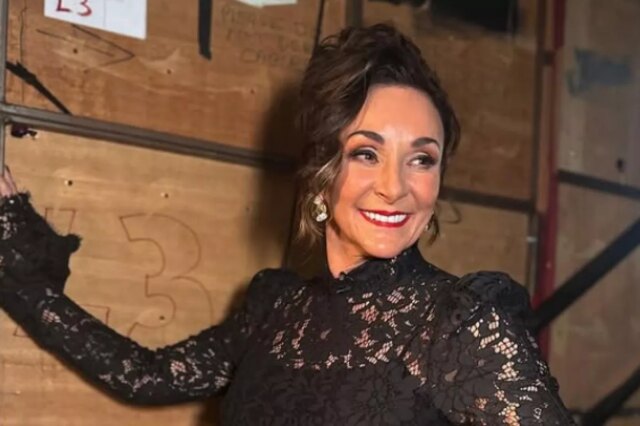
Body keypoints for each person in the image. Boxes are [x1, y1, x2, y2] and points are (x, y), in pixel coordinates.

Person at [0, 24, 575, 425]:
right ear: (321, 170)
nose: (396, 186)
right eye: (366, 153)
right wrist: (11, 237)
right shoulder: (276, 310)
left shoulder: (458, 324)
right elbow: (144, 375)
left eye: (422, 159)